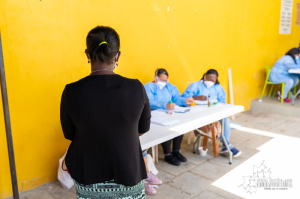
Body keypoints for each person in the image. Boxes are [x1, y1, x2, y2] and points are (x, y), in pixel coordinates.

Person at [60, 26, 151, 199]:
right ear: (118, 55)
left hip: (88, 174)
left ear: (87, 54)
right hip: (128, 172)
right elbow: (143, 128)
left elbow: (69, 133)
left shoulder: (71, 91)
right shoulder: (136, 87)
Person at [181, 69, 242, 157]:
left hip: (214, 112)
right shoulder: (195, 85)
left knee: (226, 120)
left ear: (216, 80)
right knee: (213, 123)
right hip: (198, 113)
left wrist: (216, 105)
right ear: (204, 76)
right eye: (208, 78)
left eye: (212, 80)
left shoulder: (218, 87)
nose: (210, 81)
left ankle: (225, 145)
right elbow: (183, 98)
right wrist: (196, 97)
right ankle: (226, 145)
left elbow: (222, 101)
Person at [144, 69, 194, 166]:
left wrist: (185, 101)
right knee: (166, 128)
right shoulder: (147, 87)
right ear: (155, 77)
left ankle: (176, 151)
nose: (163, 82)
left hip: (169, 112)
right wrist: (164, 105)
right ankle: (168, 154)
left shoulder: (170, 87)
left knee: (180, 125)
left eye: (165, 80)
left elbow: (176, 98)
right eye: (161, 79)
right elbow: (148, 102)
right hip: (153, 114)